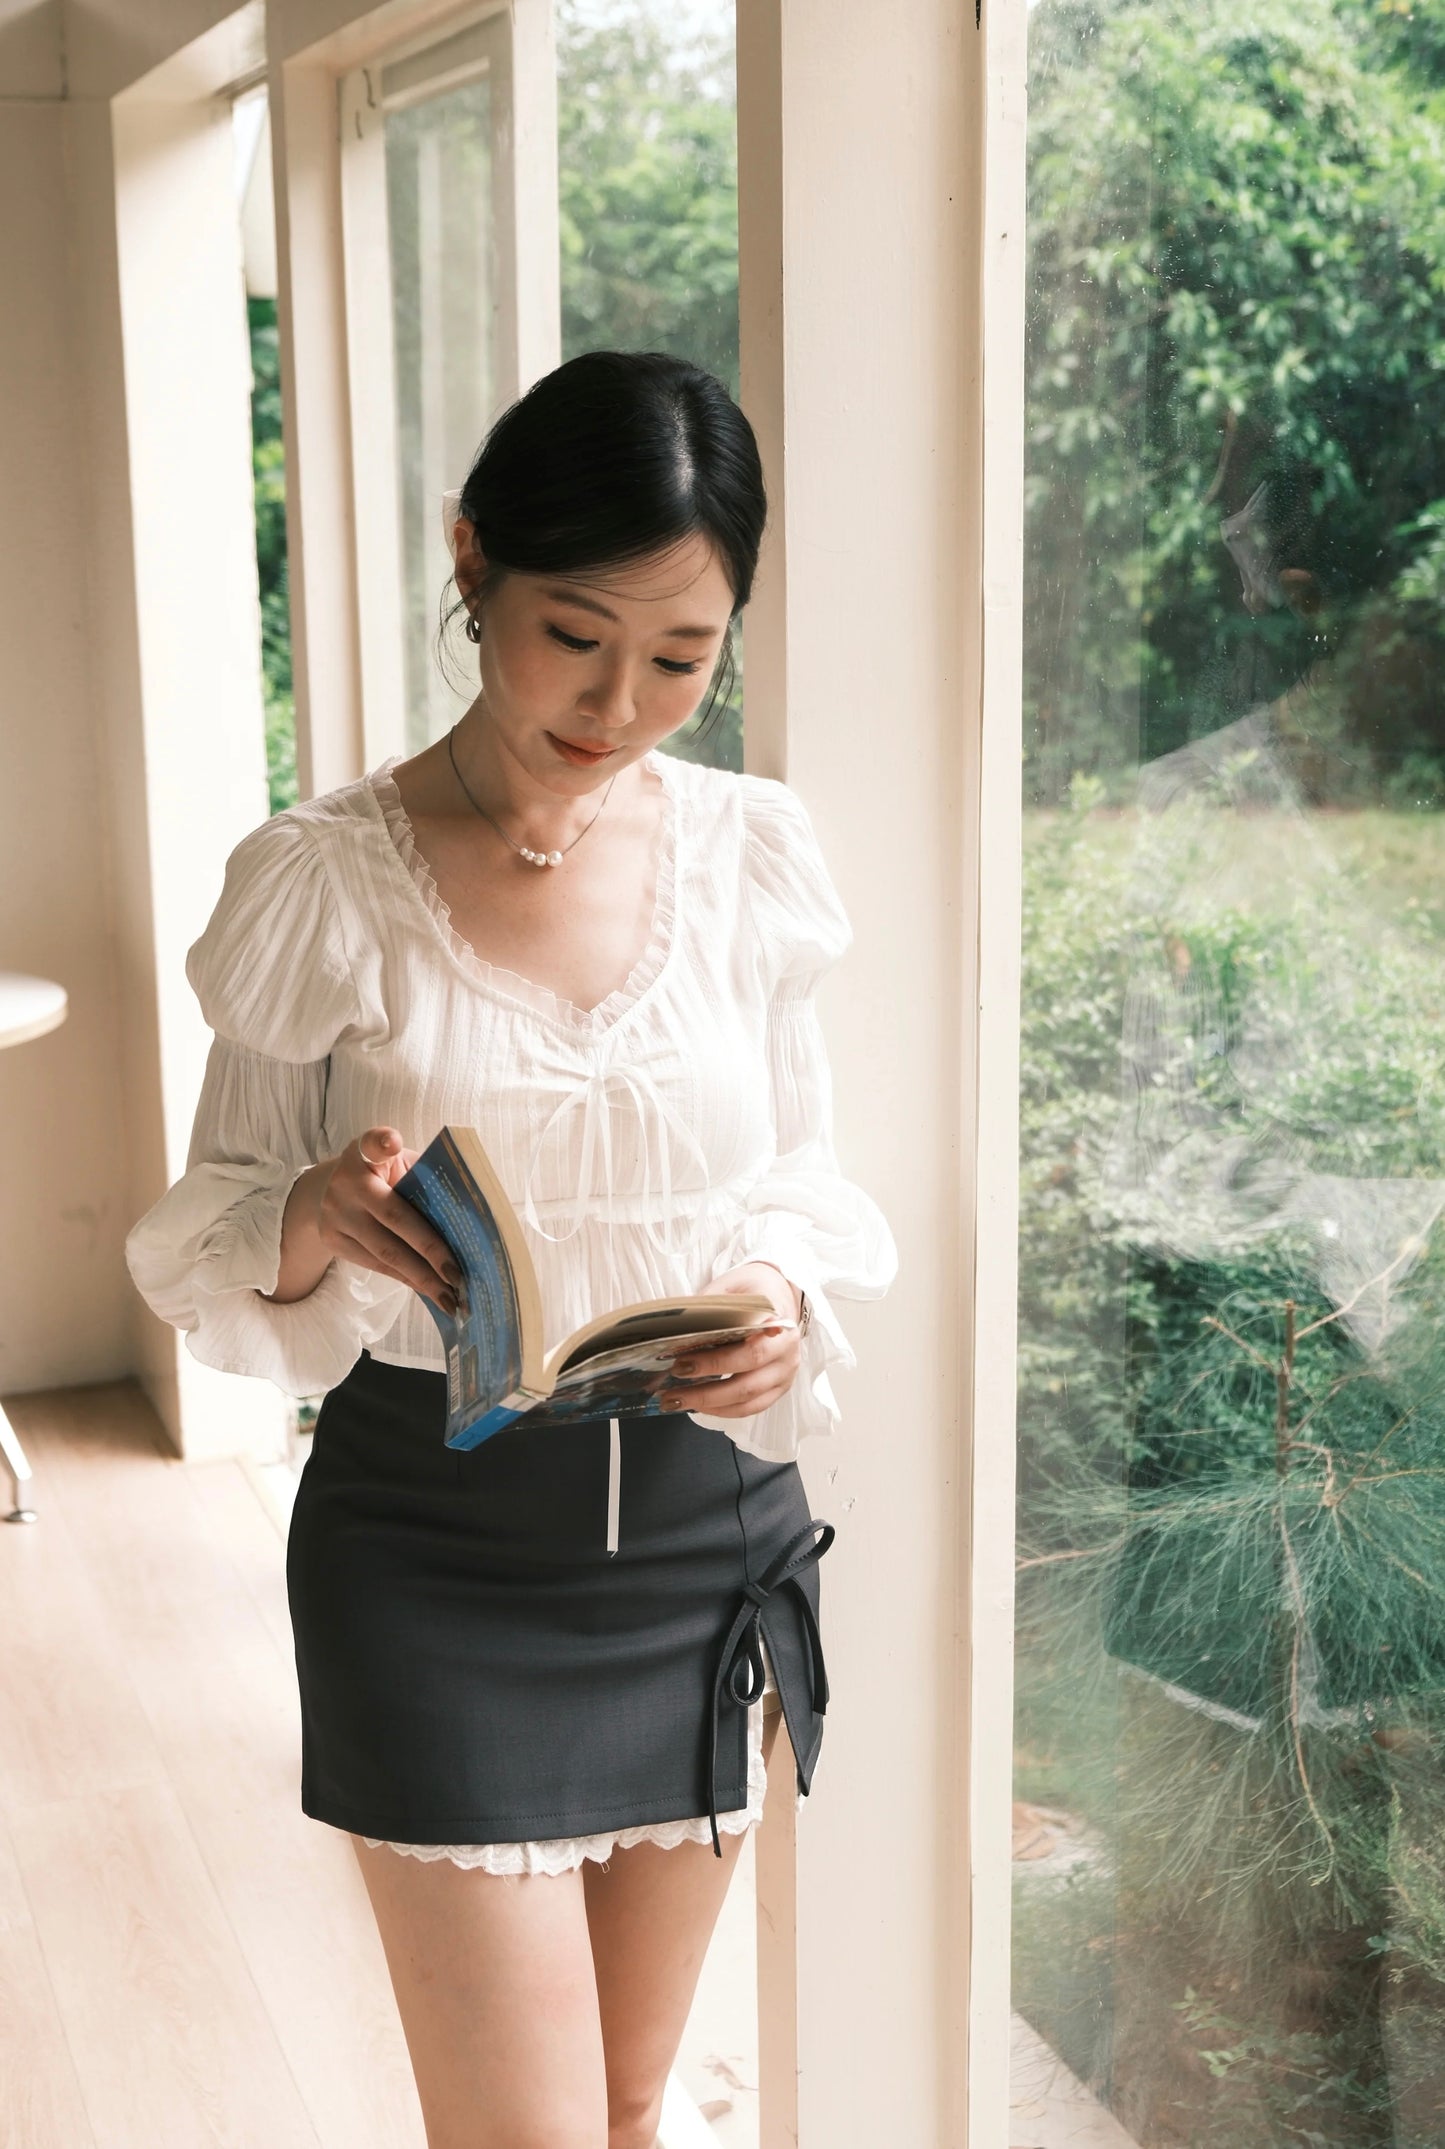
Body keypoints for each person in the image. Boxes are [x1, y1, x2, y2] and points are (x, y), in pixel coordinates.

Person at [125, 350, 898, 2149]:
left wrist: (780, 1296)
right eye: (575, 633)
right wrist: (312, 1217)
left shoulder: (747, 857)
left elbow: (796, 1163)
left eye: (681, 658)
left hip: (704, 1536)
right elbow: (207, 1223)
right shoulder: (325, 881)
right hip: (438, 1552)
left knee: (632, 2106)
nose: (621, 701)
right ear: (471, 561)